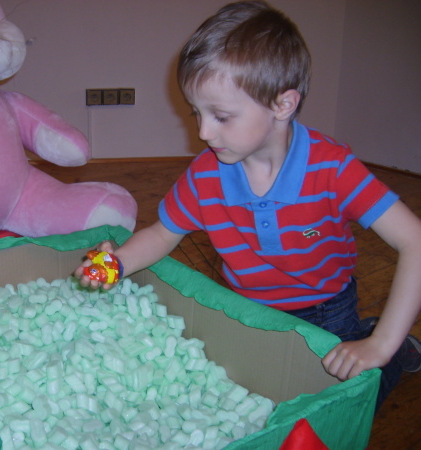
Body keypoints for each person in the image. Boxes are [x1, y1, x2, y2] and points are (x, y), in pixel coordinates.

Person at [75, 0, 421, 409]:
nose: (203, 132)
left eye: (221, 116)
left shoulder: (333, 168)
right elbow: (164, 233)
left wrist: (382, 344)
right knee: (249, 400)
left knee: (343, 406)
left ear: (282, 105)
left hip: (325, 311)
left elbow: (414, 241)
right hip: (248, 309)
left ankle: (396, 350)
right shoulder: (205, 175)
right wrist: (117, 263)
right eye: (196, 113)